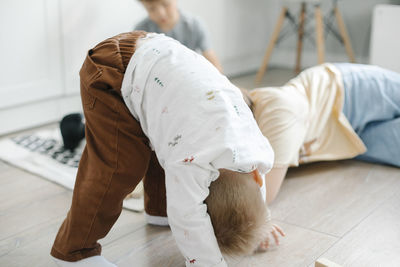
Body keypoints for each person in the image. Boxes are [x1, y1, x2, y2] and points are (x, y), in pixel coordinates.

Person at [50, 31, 284, 267]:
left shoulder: (258, 151)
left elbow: (256, 187)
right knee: (118, 166)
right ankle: (74, 251)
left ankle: (159, 209)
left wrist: (261, 222)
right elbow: (187, 216)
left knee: (169, 143)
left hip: (155, 52)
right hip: (111, 73)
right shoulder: (193, 165)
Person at [245, 63, 400, 203]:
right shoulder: (250, 143)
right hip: (345, 138)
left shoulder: (278, 108)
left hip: (345, 91)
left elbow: (263, 196)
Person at [134, 0, 223, 72]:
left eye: (165, 4)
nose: (161, 13)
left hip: (190, 73)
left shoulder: (194, 25)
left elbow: (210, 57)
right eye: (152, 9)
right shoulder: (141, 30)